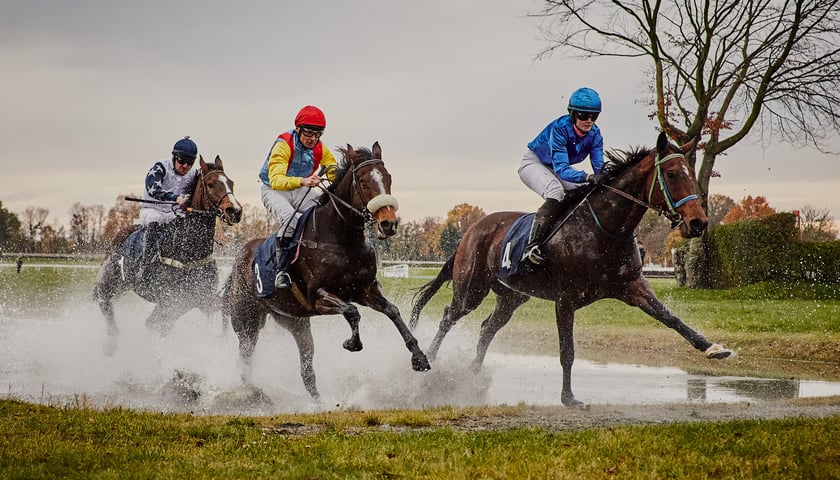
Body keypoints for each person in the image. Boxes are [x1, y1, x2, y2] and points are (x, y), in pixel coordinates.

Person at [518, 87, 606, 264]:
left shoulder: (595, 134)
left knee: (586, 192)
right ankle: (532, 246)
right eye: (583, 116)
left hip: (556, 168)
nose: (589, 121)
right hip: (534, 163)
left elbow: (599, 167)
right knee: (555, 191)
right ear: (572, 114)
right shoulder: (559, 129)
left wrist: (605, 178)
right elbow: (562, 170)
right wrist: (587, 177)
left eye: (594, 116)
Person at [259, 105, 338, 289]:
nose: (312, 139)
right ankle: (282, 271)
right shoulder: (284, 144)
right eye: (308, 133)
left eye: (317, 134)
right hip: (273, 189)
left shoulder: (320, 148)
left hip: (301, 187)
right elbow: (276, 179)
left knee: (324, 210)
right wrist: (303, 181)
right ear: (298, 129)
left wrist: (337, 176)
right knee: (290, 219)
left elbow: (333, 167)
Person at [136, 136, 200, 282]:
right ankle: (145, 264)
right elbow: (153, 189)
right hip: (152, 209)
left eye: (189, 163)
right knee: (155, 220)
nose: (185, 166)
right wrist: (175, 198)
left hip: (172, 213)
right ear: (174, 157)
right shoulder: (161, 167)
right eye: (181, 161)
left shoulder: (193, 174)